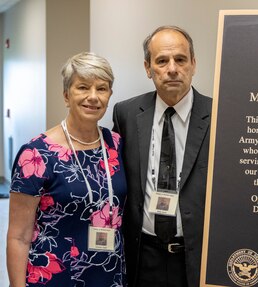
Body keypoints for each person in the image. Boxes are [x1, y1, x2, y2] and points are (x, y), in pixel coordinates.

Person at [6, 52, 127, 286]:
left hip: (109, 274)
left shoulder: (116, 144)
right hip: (54, 275)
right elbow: (18, 237)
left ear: (109, 95)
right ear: (66, 95)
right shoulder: (37, 154)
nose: (93, 97)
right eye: (83, 87)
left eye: (101, 89)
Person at [112, 25, 212, 287]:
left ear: (193, 63)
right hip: (143, 257)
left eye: (180, 59)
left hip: (195, 258)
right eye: (161, 61)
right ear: (148, 68)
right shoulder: (126, 113)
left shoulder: (219, 115)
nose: (172, 69)